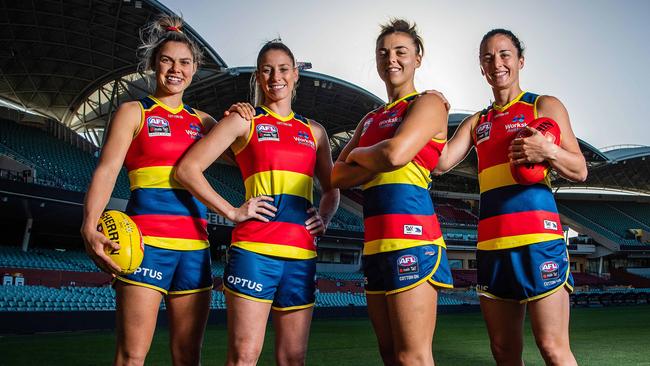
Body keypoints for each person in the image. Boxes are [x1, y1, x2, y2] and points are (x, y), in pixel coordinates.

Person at [175, 40, 339, 366]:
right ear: (258, 77)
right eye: (267, 69)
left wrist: (325, 217)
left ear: (295, 75)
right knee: (244, 357)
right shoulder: (244, 121)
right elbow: (187, 170)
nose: (275, 76)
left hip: (301, 256)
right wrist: (233, 211)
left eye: (282, 69)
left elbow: (333, 187)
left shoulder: (315, 131)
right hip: (254, 252)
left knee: (293, 359)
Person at [435, 29, 587, 365]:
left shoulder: (542, 105)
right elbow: (441, 162)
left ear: (520, 60)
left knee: (552, 347)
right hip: (492, 248)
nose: (497, 63)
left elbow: (579, 169)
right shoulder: (478, 122)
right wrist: (431, 112)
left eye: (504, 54)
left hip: (538, 243)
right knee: (504, 352)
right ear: (481, 67)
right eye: (488, 57)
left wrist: (546, 149)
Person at [81, 15, 215, 366]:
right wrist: (89, 223)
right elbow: (108, 170)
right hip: (145, 246)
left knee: (188, 357)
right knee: (131, 356)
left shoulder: (204, 122)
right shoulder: (133, 112)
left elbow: (251, 153)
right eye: (167, 61)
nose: (175, 69)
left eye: (184, 63)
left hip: (195, 249)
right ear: (154, 64)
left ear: (195, 68)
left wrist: (244, 112)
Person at [331, 19, 452, 366]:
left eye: (401, 51)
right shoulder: (369, 120)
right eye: (383, 53)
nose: (391, 60)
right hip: (376, 244)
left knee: (412, 356)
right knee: (389, 356)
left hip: (413, 240)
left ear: (418, 57)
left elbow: (395, 155)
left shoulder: (428, 103)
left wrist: (356, 155)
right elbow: (336, 176)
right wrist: (372, 157)